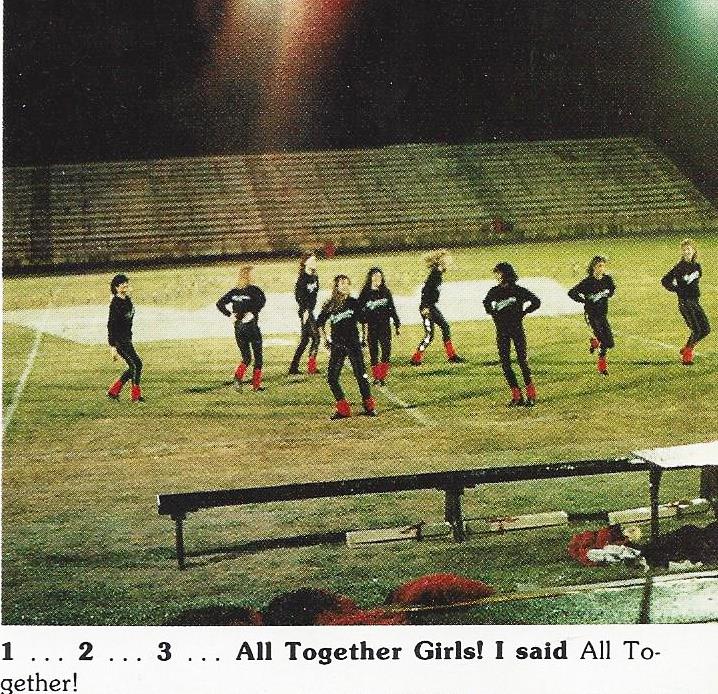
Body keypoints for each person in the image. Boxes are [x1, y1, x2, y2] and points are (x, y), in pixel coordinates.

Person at [317, 275, 377, 419]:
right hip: (337, 346)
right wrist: (325, 340)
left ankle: (369, 407)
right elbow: (319, 323)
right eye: (342, 283)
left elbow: (364, 321)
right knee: (332, 377)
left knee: (361, 375)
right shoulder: (330, 305)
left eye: (347, 283)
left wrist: (364, 339)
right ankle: (343, 409)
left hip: (353, 344)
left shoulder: (354, 303)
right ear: (336, 287)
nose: (345, 286)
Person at [483, 262, 541, 406]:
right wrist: (494, 314)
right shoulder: (494, 291)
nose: (496, 276)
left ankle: (531, 395)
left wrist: (524, 312)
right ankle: (517, 396)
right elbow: (486, 303)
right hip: (502, 331)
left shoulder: (518, 290)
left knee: (522, 361)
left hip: (517, 330)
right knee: (505, 363)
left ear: (505, 274)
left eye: (498, 273)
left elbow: (536, 301)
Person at [409, 250, 465, 365]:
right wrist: (425, 307)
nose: (449, 262)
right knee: (429, 335)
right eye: (447, 260)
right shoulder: (434, 274)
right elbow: (425, 291)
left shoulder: (438, 274)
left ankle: (452, 356)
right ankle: (415, 358)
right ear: (441, 261)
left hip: (431, 306)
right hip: (427, 308)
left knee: (445, 327)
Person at [216, 265, 267, 391]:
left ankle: (237, 378)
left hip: (238, 328)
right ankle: (256, 385)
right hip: (251, 327)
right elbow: (262, 302)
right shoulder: (255, 290)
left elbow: (220, 304)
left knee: (246, 357)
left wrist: (230, 315)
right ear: (249, 276)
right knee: (258, 357)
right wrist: (252, 312)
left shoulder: (234, 292)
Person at [661, 239, 710, 365]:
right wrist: (676, 289)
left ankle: (687, 348)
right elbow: (665, 280)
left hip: (695, 302)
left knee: (706, 329)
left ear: (694, 251)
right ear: (682, 252)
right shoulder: (679, 267)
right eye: (684, 250)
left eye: (689, 249)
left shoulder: (697, 266)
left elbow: (694, 281)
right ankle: (687, 357)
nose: (687, 251)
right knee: (696, 330)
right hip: (685, 302)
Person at [568, 255, 616, 375]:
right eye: (599, 266)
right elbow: (571, 292)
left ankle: (595, 342)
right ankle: (602, 367)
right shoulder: (587, 282)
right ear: (594, 267)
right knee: (603, 341)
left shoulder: (607, 279)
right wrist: (584, 300)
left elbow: (612, 289)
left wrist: (608, 293)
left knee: (610, 343)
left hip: (603, 315)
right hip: (592, 316)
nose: (602, 268)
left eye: (603, 266)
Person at [358, 267, 401, 386]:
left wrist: (397, 323)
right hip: (372, 327)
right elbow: (358, 311)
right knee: (374, 352)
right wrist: (363, 320)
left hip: (384, 327)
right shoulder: (365, 293)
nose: (378, 279)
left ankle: (382, 376)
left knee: (386, 351)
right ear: (370, 278)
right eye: (375, 276)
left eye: (380, 277)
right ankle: (376, 377)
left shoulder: (386, 292)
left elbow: (392, 308)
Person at [106, 273, 144, 402]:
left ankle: (113, 391)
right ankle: (136, 396)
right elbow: (111, 325)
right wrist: (112, 346)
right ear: (116, 287)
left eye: (126, 282)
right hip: (119, 341)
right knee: (136, 365)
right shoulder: (115, 304)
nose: (125, 284)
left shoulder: (127, 300)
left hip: (127, 339)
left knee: (135, 365)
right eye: (122, 283)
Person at [289, 251, 321, 376]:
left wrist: (310, 308)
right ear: (305, 262)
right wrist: (305, 311)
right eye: (312, 260)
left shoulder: (315, 277)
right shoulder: (302, 278)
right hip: (305, 311)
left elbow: (314, 295)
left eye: (315, 260)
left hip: (310, 310)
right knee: (316, 338)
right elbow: (299, 297)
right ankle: (311, 367)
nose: (315, 262)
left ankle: (293, 367)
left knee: (304, 341)